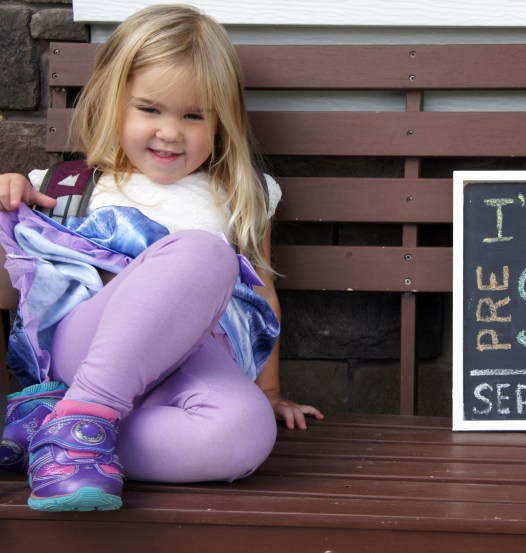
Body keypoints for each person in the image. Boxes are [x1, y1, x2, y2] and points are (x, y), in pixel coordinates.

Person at [0, 4, 322, 512]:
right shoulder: (65, 187)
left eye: (193, 115)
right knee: (201, 253)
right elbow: (19, 289)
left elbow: (261, 293)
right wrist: (9, 209)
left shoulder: (242, 196)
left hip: (192, 361)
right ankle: (85, 408)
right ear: (113, 102)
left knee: (244, 436)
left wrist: (271, 389)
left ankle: (59, 434)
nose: (171, 132)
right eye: (150, 109)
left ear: (221, 121)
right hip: (87, 350)